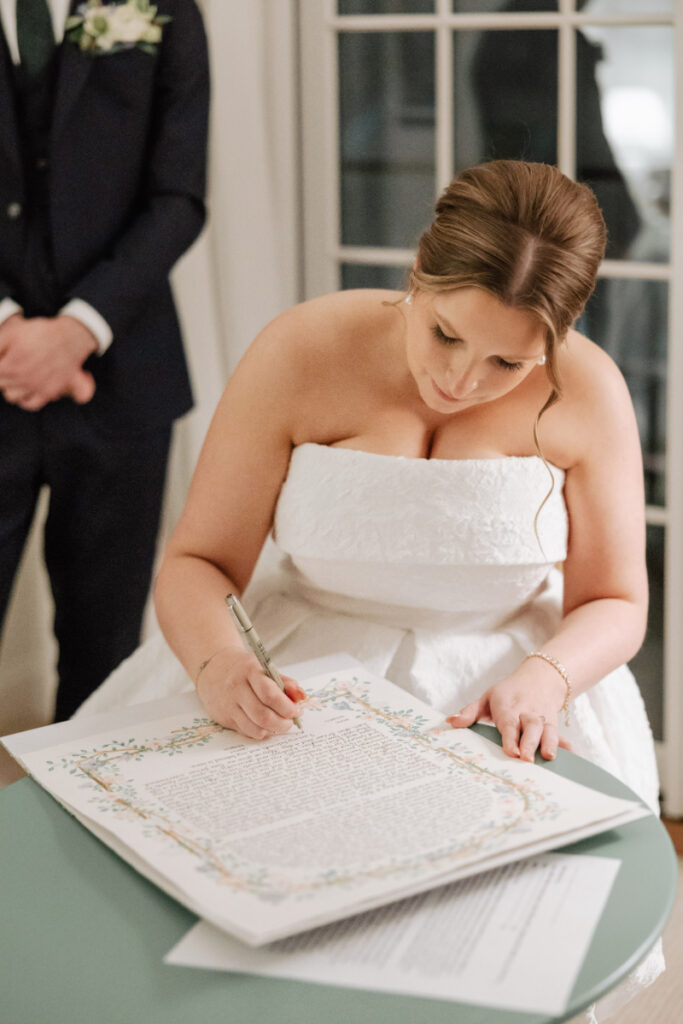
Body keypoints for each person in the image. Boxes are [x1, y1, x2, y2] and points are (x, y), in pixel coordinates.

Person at [81, 159, 663, 1018]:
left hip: (502, 695)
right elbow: (198, 560)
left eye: (508, 362)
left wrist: (548, 677)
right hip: (293, 678)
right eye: (445, 334)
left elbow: (615, 600)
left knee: (484, 967)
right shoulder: (300, 349)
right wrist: (214, 663)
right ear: (418, 271)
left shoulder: (591, 392)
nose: (462, 380)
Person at [0, 0, 209, 720]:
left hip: (123, 385)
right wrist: (8, 328)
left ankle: (78, 797)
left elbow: (179, 196)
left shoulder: (164, 7)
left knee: (104, 654)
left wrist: (77, 330)